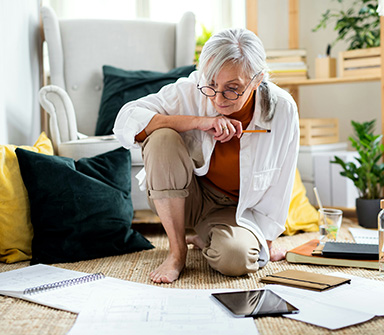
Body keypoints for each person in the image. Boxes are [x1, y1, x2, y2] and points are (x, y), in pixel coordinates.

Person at [113, 28, 299, 284]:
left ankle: (206, 237)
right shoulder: (192, 89)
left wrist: (264, 244)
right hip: (187, 197)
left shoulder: (283, 110)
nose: (219, 98)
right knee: (162, 137)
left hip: (236, 211)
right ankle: (177, 253)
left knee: (236, 259)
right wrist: (198, 122)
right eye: (212, 84)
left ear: (258, 80)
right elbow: (126, 120)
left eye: (232, 89)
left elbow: (282, 183)